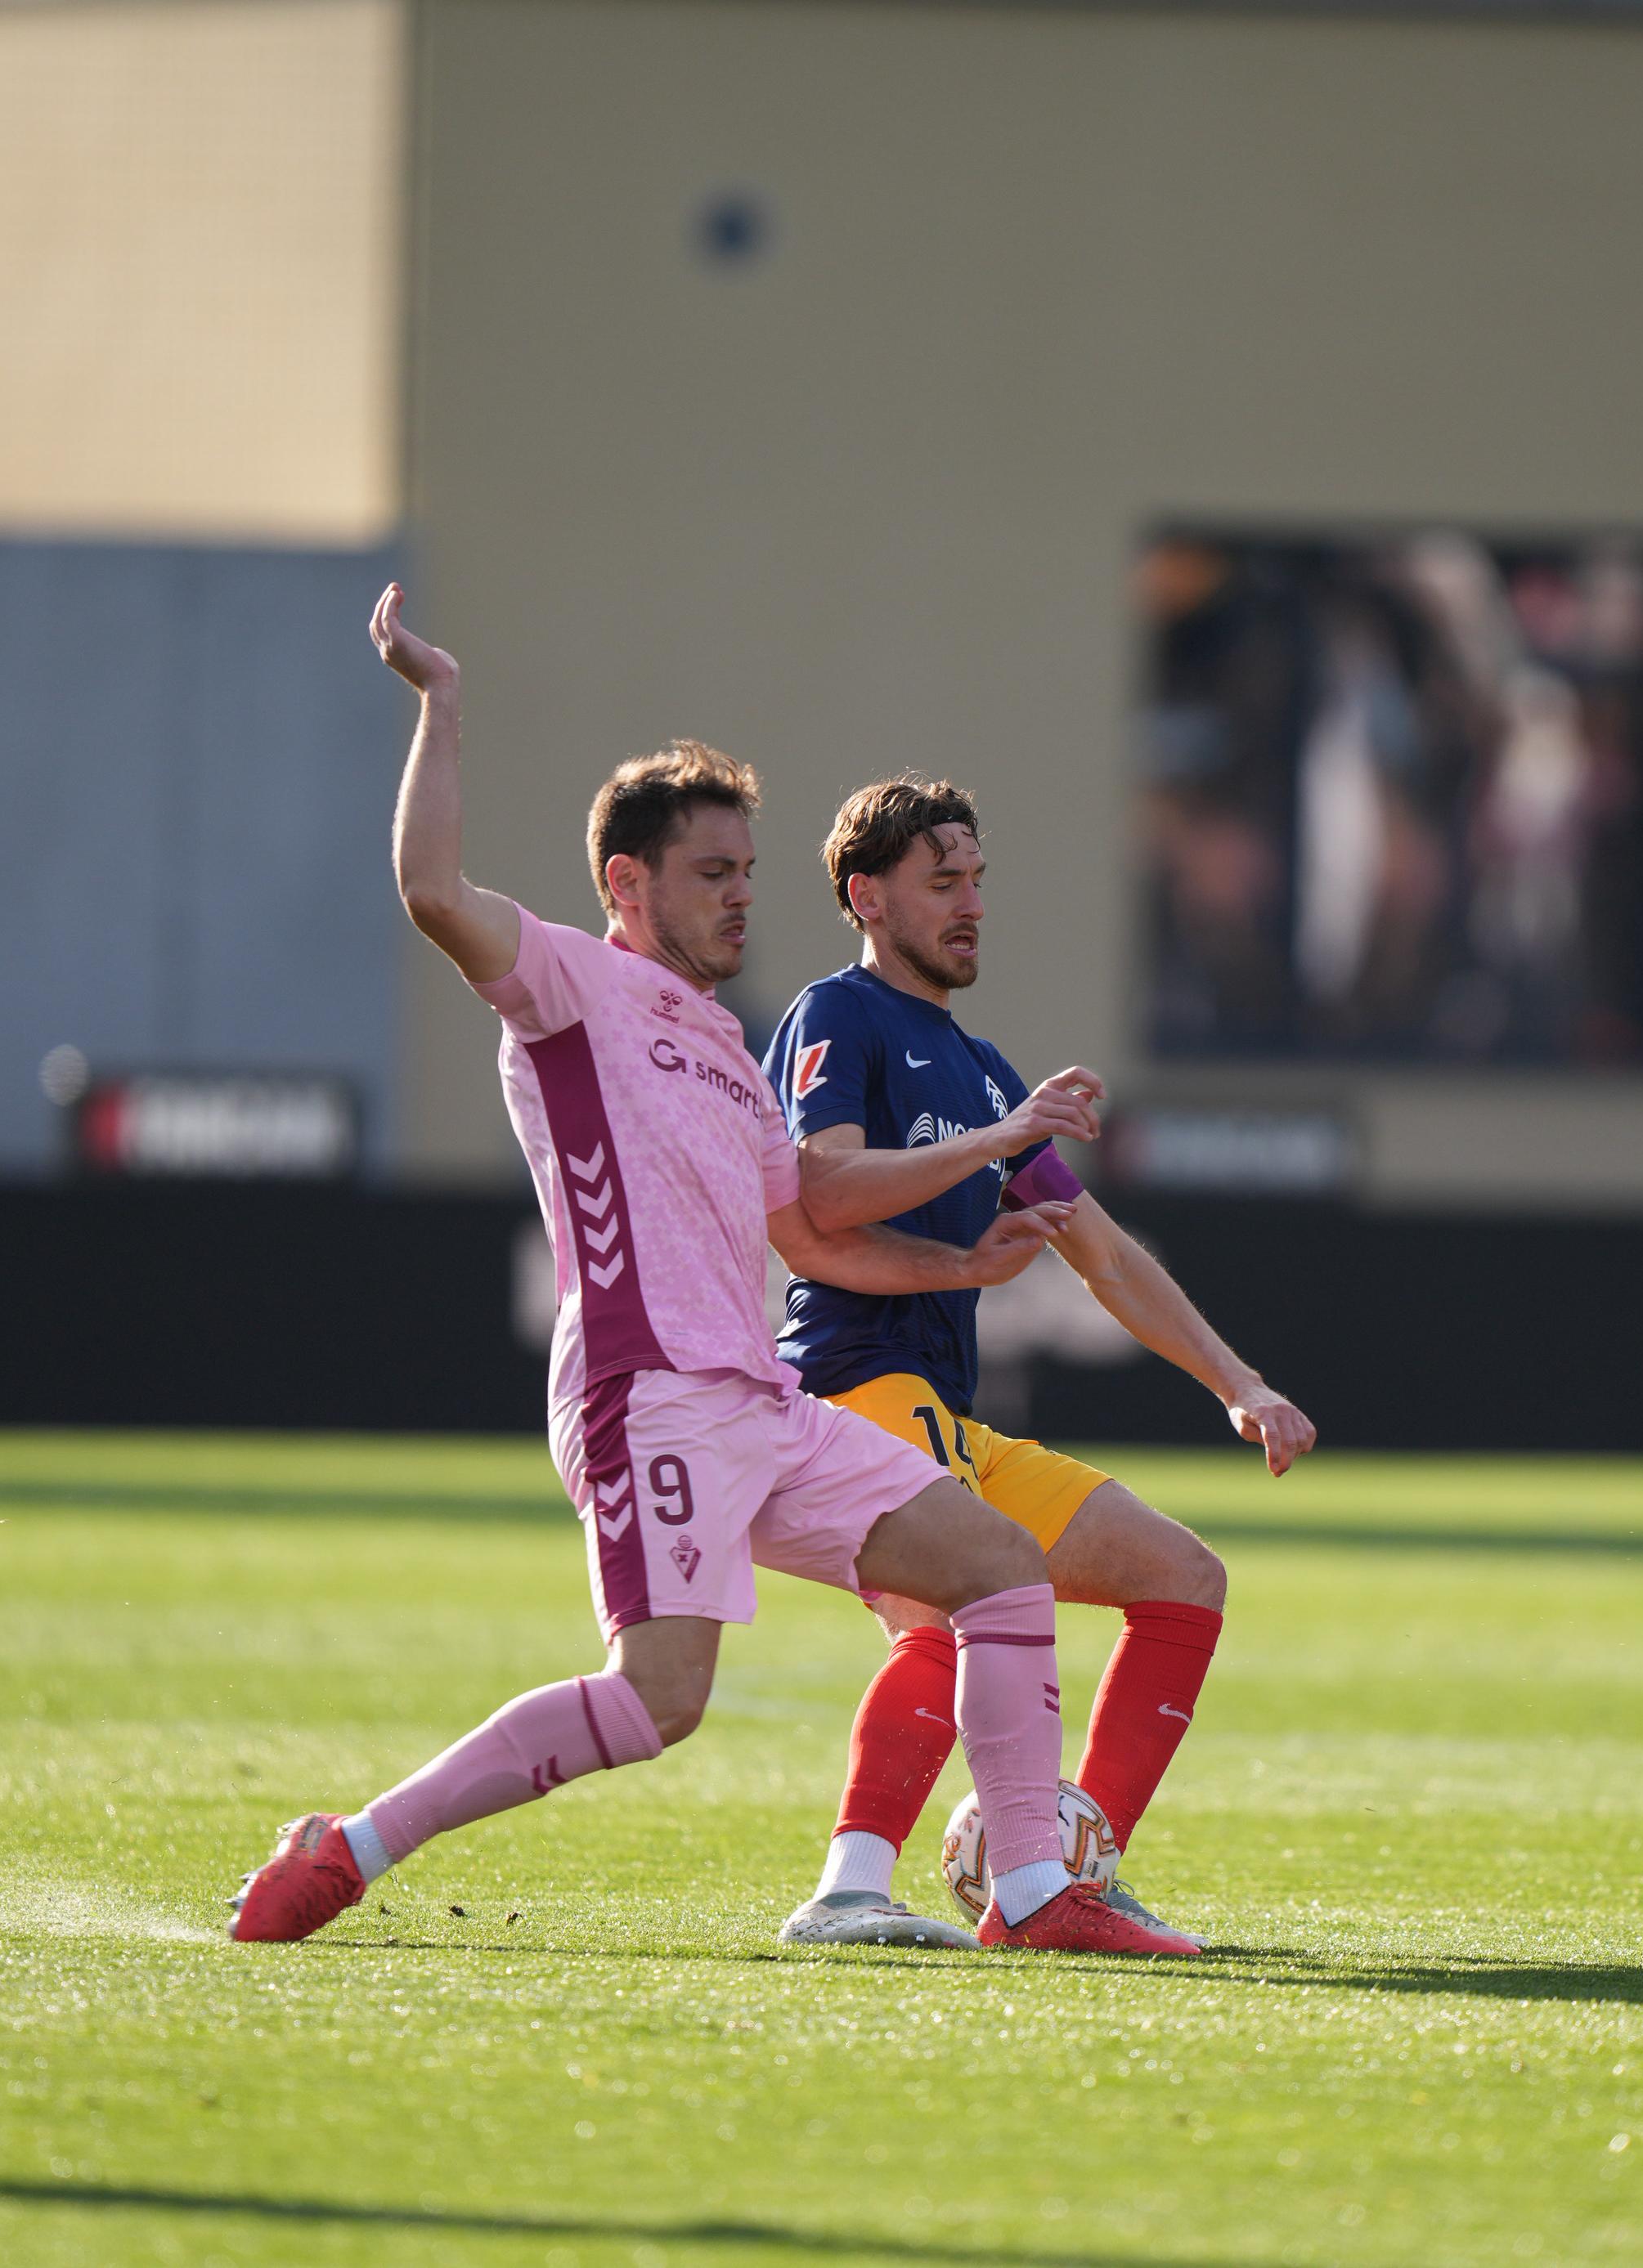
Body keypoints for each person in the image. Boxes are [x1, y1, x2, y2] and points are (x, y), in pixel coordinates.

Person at [225, 587, 1197, 1956]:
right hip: (651, 1392)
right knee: (657, 1700)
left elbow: (807, 1229)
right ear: (626, 884)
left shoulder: (734, 1053)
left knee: (999, 1571)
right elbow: (432, 890)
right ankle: (351, 1842)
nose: (743, 894)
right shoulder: (567, 984)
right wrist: (439, 705)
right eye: (711, 872)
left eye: (747, 870)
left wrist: (958, 1258)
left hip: (761, 1399)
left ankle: (1033, 1893)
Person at [761, 775, 1316, 1952]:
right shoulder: (836, 1015)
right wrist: (1004, 1136)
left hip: (943, 1417)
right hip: (848, 1392)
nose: (969, 903)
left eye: (976, 878)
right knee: (953, 1613)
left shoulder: (979, 1066)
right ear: (867, 896)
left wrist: (1239, 1382)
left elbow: (1104, 1254)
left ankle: (1072, 1862)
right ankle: (857, 1889)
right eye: (940, 879)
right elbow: (820, 1188)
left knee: (1183, 1578)